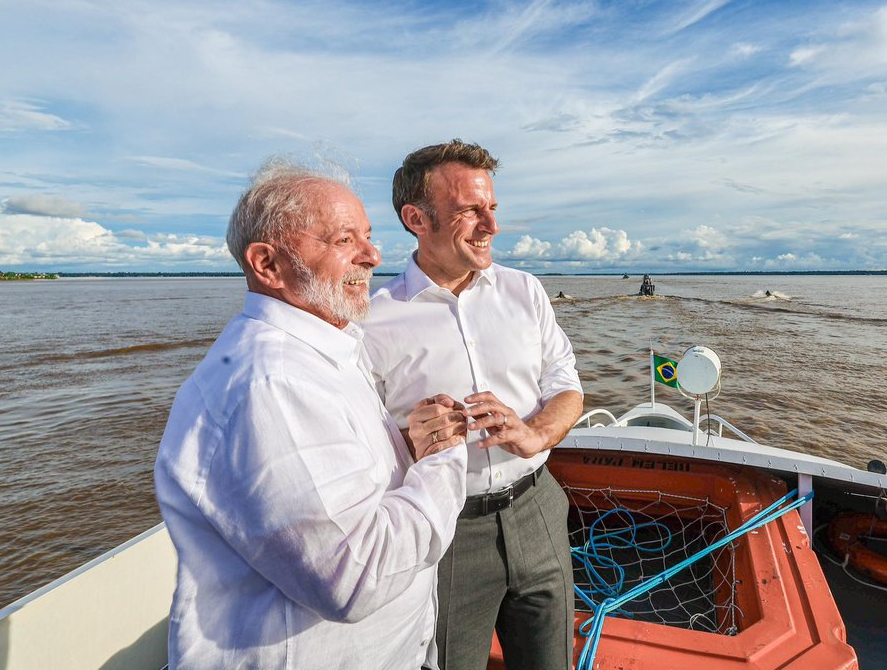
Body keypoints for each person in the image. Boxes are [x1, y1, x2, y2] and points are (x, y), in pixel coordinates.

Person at [154, 157, 468, 669]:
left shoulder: (327, 351)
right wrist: (443, 459)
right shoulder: (274, 382)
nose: (372, 255)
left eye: (368, 237)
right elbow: (355, 578)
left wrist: (405, 447)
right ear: (268, 264)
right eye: (344, 240)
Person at [364, 140, 584, 670]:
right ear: (416, 218)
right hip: (446, 532)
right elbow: (358, 444)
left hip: (539, 508)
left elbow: (567, 387)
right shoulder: (372, 319)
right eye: (470, 211)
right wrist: (410, 442)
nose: (491, 226)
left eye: (492, 209)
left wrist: (535, 432)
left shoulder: (525, 291)